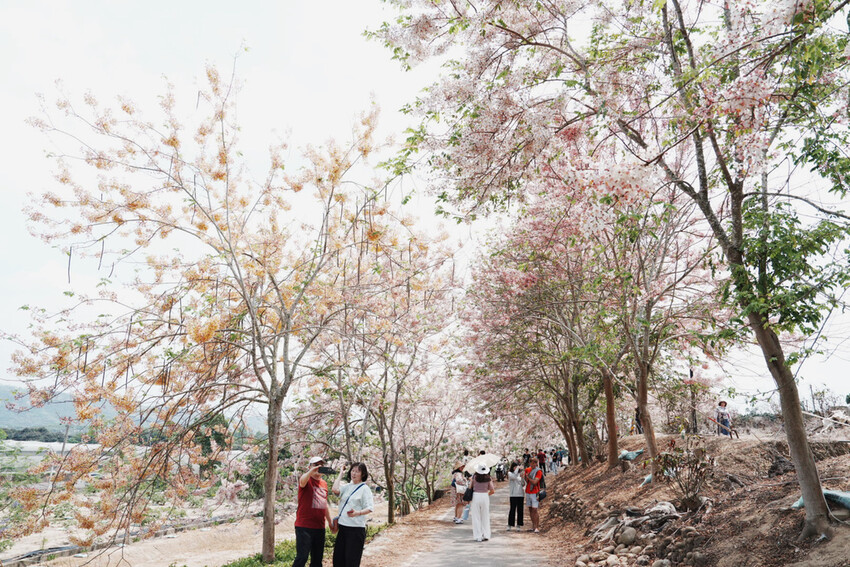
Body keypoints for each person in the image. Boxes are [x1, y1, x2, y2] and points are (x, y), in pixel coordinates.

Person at [293, 456, 336, 567]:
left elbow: (324, 504)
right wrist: (311, 471)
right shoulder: (306, 480)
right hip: (304, 527)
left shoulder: (324, 484)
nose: (318, 467)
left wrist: (330, 523)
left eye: (321, 465)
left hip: (319, 527)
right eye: (315, 464)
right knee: (302, 557)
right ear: (310, 467)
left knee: (317, 560)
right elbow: (302, 481)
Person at [331, 462, 374, 567]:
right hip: (343, 528)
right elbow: (335, 489)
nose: (354, 473)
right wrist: (341, 473)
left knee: (351, 561)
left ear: (363, 474)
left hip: (355, 530)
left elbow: (369, 508)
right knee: (338, 559)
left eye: (357, 471)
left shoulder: (365, 489)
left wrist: (357, 513)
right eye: (352, 471)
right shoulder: (348, 486)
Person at [470, 463, 496, 542]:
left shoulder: (474, 477)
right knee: (485, 516)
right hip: (485, 496)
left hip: (476, 496)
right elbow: (492, 491)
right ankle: (486, 534)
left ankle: (478, 536)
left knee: (476, 516)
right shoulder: (488, 478)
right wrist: (486, 494)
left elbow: (470, 487)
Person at [525, 456, 543, 533]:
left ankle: (537, 527)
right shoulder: (527, 470)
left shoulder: (538, 471)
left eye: (535, 463)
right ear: (530, 463)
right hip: (528, 491)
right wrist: (526, 477)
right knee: (530, 509)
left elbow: (535, 482)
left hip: (535, 492)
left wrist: (528, 478)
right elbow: (526, 481)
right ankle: (533, 526)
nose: (533, 465)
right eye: (532, 463)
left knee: (535, 510)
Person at [506, 461, 525, 531]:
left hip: (520, 494)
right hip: (513, 494)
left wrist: (523, 477)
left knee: (520, 510)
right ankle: (510, 524)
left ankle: (519, 525)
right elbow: (513, 477)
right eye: (515, 467)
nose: (516, 468)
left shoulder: (520, 474)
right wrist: (517, 469)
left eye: (516, 467)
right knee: (512, 510)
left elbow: (523, 484)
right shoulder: (510, 473)